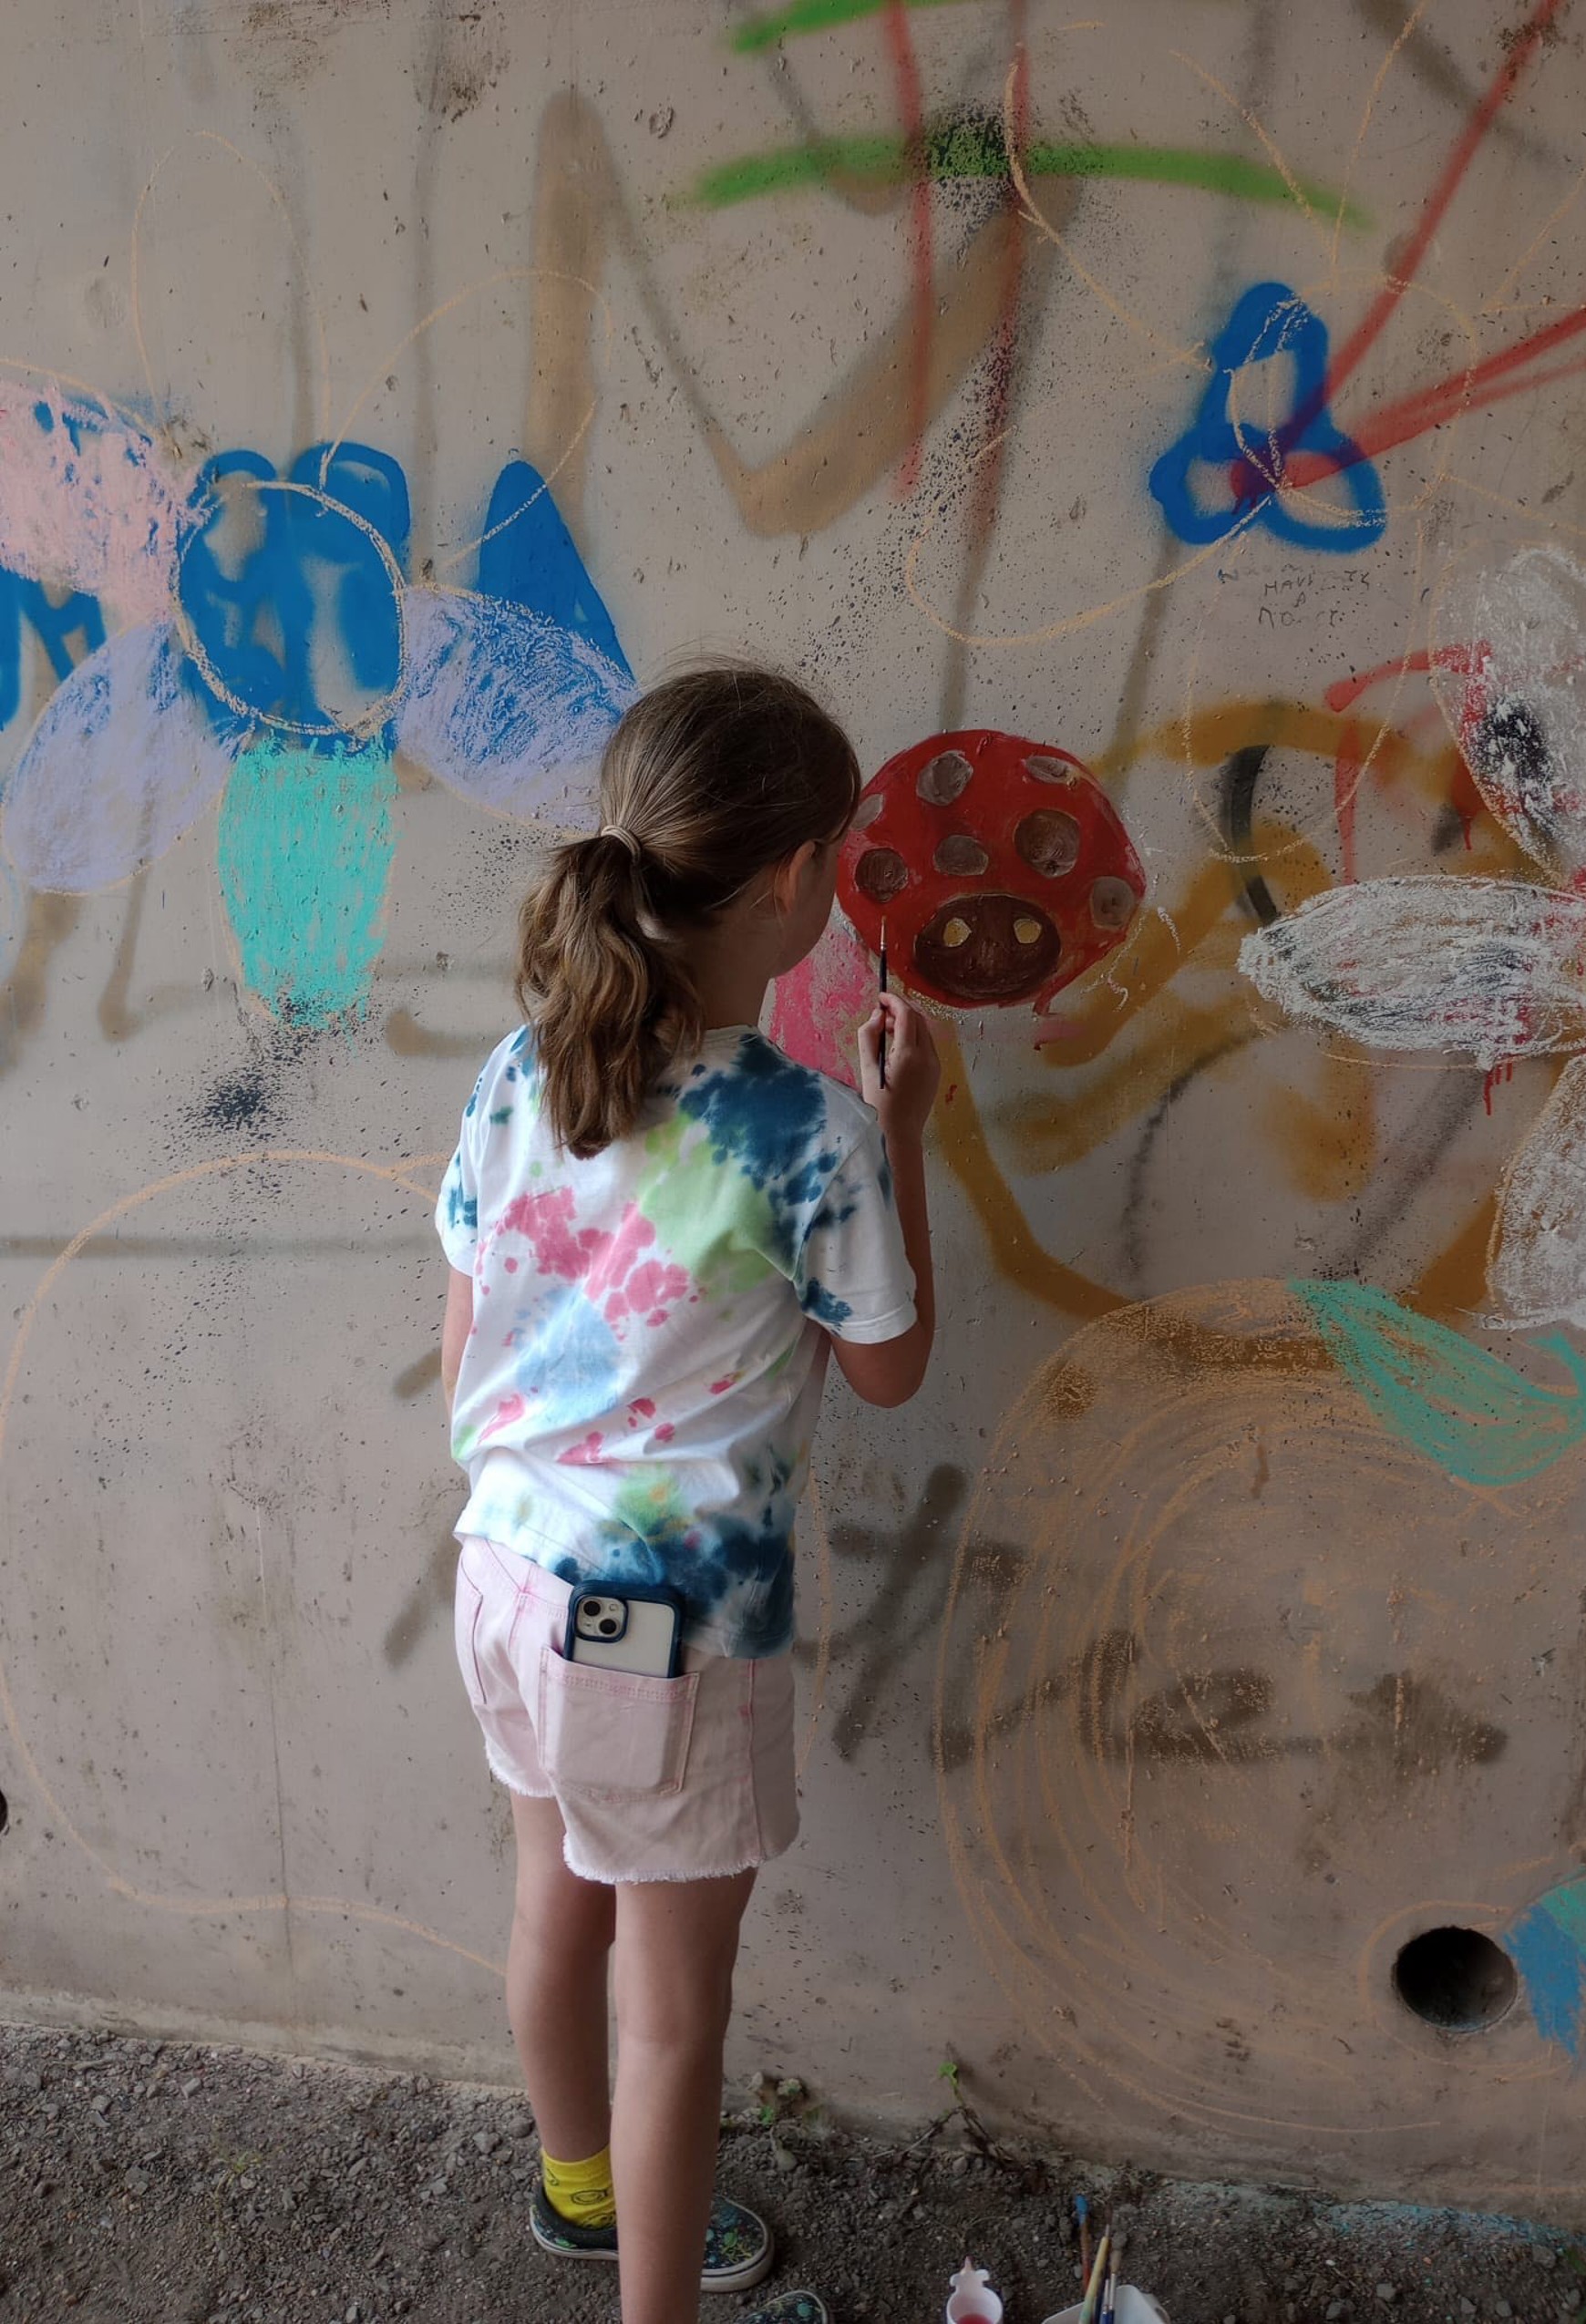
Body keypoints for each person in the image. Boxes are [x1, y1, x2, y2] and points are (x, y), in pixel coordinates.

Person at [435, 665, 940, 2324]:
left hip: (507, 1574)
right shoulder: (810, 1134)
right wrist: (903, 1131)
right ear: (798, 879)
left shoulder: (528, 1066)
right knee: (673, 2014)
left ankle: (576, 2193)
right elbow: (886, 1366)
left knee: (551, 1906)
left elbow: (463, 1365)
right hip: (667, 1634)